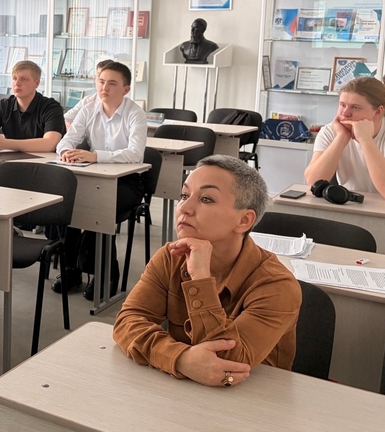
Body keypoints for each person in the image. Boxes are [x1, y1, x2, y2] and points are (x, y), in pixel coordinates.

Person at [113, 155, 301, 387]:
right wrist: (180, 359)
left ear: (244, 220)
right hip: (181, 389)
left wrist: (201, 279)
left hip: (252, 398)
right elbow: (128, 321)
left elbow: (227, 362)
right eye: (184, 195)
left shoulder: (277, 285)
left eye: (206, 199)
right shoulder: (171, 257)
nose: (184, 208)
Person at [52, 62, 148, 299]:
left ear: (125, 89)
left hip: (127, 182)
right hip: (94, 177)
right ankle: (71, 269)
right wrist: (66, 152)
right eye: (101, 81)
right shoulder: (88, 109)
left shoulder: (135, 113)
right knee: (66, 204)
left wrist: (96, 156)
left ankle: (105, 273)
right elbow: (66, 141)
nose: (104, 87)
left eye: (112, 83)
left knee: (97, 210)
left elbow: (135, 154)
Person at [304, 77, 385, 201]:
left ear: (378, 112)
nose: (345, 113)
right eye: (343, 105)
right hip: (354, 206)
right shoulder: (331, 131)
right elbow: (313, 183)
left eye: (355, 107)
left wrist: (366, 140)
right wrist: (341, 137)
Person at [0, 61, 65, 152]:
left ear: (36, 83)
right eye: (14, 78)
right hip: (11, 159)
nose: (17, 83)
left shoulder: (51, 108)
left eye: (24, 79)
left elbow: (50, 144)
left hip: (44, 160)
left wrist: (5, 144)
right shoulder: (4, 105)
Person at [63, 59, 114, 127]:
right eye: (99, 75)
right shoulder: (87, 101)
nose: (102, 80)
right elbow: (66, 118)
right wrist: (69, 125)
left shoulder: (125, 107)